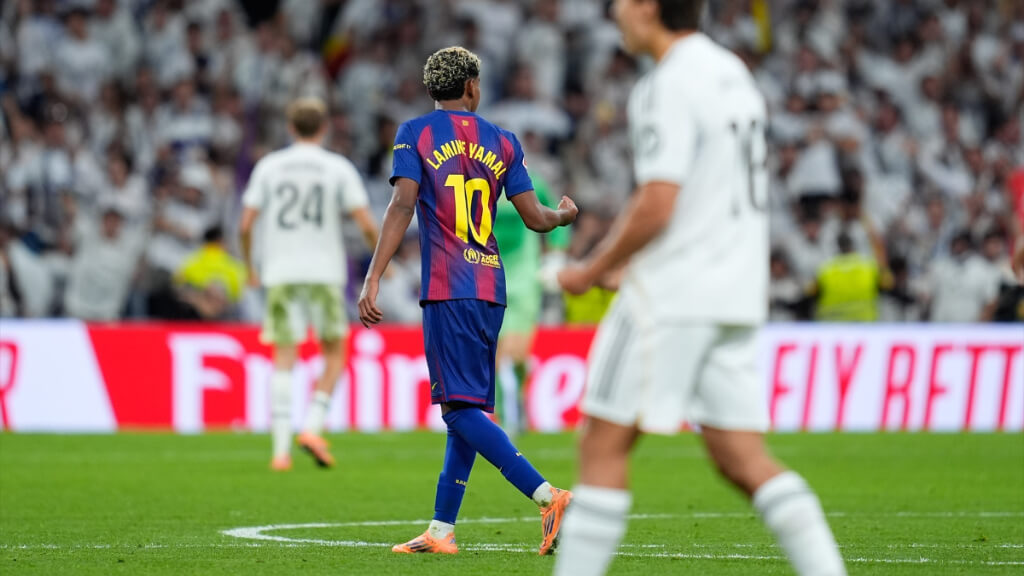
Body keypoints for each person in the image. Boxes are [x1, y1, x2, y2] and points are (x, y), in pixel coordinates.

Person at [554, 2, 846, 575]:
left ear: (649, 7)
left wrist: (592, 268)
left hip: (669, 296)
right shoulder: (733, 72)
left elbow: (657, 202)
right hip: (734, 294)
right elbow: (707, 195)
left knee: (601, 446)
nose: (614, 12)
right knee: (742, 458)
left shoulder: (665, 83)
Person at [357, 46, 578, 556]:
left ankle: (548, 495)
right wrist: (564, 216)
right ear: (472, 86)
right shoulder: (503, 140)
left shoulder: (415, 133)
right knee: (467, 407)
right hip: (490, 288)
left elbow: (402, 204)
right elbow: (536, 219)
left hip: (447, 287)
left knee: (458, 411)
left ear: (433, 90)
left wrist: (373, 276)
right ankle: (441, 530)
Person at [239, 97, 379, 471]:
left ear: (290, 127)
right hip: (324, 273)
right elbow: (366, 224)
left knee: (284, 356)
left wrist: (251, 266)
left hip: (281, 272)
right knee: (334, 354)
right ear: (324, 128)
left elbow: (245, 224)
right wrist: (383, 263)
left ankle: (280, 453)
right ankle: (313, 427)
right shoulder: (337, 167)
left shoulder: (269, 166)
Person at [492, 172, 570, 437]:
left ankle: (517, 397)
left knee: (516, 355)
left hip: (525, 278)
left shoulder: (532, 183)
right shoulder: (476, 180)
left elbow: (558, 216)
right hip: (490, 275)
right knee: (498, 354)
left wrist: (556, 257)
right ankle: (507, 416)